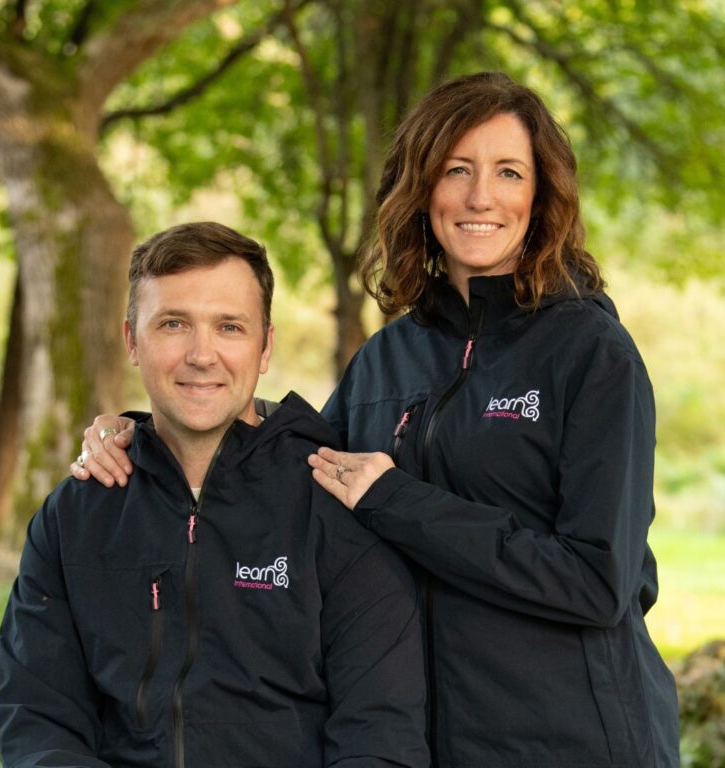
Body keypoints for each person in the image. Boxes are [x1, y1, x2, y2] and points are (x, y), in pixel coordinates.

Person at [71, 73, 680, 768]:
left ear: (540, 197)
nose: (482, 196)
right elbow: (299, 462)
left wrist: (399, 502)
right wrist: (142, 431)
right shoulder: (390, 357)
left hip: (576, 740)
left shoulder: (592, 354)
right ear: (422, 188)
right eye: (457, 170)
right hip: (429, 741)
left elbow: (597, 581)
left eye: (509, 172)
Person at [0, 222, 429, 768]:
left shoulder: (337, 510)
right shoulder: (78, 512)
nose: (202, 355)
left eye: (229, 327)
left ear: (264, 346)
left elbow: (381, 736)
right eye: (173, 324)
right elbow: (37, 715)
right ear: (132, 340)